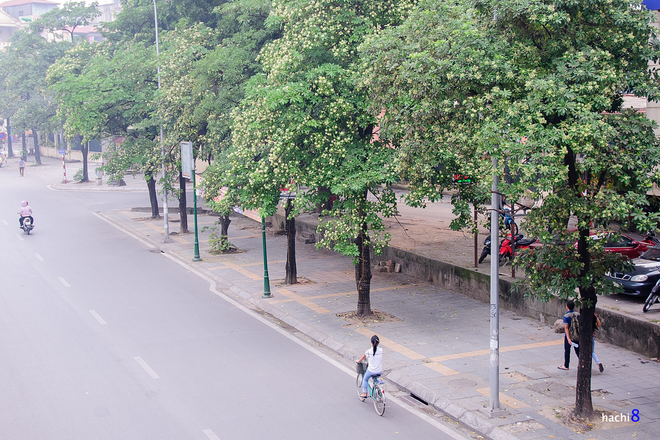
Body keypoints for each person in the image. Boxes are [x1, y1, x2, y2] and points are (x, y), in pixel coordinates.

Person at [558, 300, 579, 370]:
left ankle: (566, 365)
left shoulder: (566, 316)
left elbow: (566, 328)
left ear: (567, 306)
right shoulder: (578, 314)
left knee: (567, 350)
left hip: (569, 335)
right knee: (578, 350)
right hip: (577, 334)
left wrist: (568, 338)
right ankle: (582, 363)